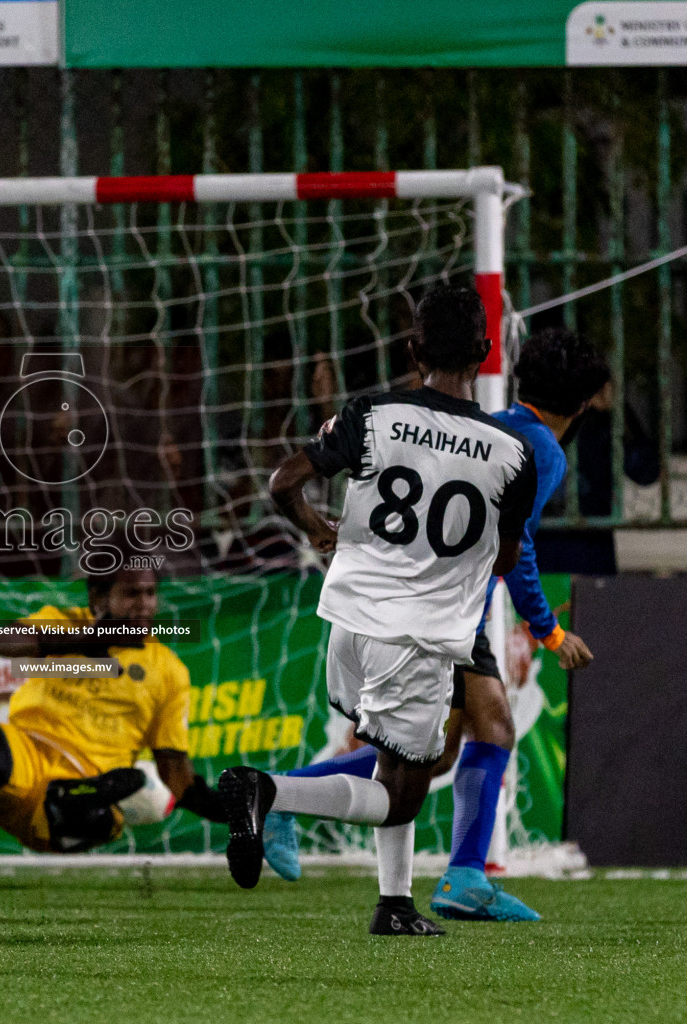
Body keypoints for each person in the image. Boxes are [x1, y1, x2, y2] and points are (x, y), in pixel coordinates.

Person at [261, 325, 609, 924]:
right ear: (583, 403)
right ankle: (450, 873)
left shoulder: (494, 424)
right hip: (446, 612)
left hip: (411, 603)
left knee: (441, 751)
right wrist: (548, 630)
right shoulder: (539, 452)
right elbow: (517, 549)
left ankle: (307, 808)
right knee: (483, 733)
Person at [218, 284, 537, 936]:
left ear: (412, 348)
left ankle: (394, 905)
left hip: (348, 625)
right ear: (485, 351)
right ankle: (268, 791)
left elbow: (283, 482)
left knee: (396, 758)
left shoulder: (372, 414)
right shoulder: (513, 455)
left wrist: (314, 527)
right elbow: (504, 561)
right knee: (401, 793)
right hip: (417, 637)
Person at [0, 565, 226, 888]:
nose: (144, 604)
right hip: (27, 765)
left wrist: (234, 812)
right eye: (131, 593)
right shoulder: (65, 622)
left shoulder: (168, 671)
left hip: (89, 802)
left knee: (126, 788)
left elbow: (175, 774)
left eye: (150, 593)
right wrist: (82, 640)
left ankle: (77, 795)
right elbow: (4, 641)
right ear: (98, 598)